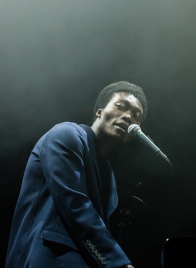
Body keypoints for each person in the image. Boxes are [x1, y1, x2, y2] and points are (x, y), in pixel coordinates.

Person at [5, 80, 148, 268]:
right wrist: (119, 263)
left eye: (136, 115)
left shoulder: (108, 174)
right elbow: (75, 205)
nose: (129, 117)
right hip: (47, 258)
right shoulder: (67, 134)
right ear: (99, 111)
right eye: (121, 107)